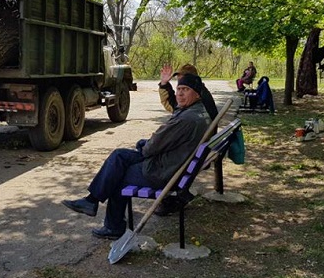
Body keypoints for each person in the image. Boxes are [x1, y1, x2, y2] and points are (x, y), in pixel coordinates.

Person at [62, 74, 210, 239]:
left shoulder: (187, 119)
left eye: (186, 90)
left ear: (196, 93)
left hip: (162, 172)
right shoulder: (198, 112)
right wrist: (146, 144)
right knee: (119, 156)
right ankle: (91, 200)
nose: (180, 94)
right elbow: (164, 141)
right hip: (170, 164)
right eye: (179, 89)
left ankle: (113, 226)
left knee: (117, 176)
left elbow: (153, 147)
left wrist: (145, 145)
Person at [156, 64, 219, 216]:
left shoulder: (198, 100)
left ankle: (174, 195)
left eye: (182, 82)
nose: (179, 84)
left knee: (157, 151)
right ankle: (177, 193)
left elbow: (175, 107)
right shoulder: (201, 93)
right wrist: (164, 84)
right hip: (201, 147)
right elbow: (174, 104)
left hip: (193, 150)